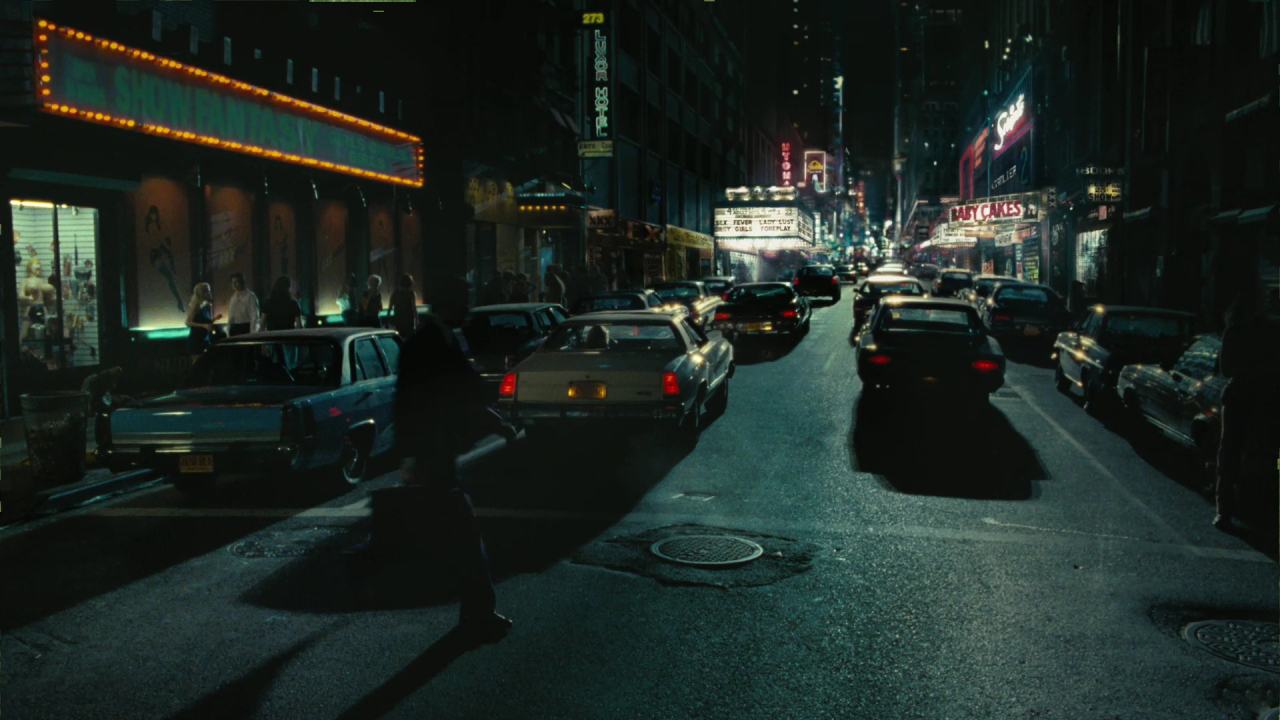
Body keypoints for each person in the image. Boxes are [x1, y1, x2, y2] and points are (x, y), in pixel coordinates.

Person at [394, 275, 512, 643]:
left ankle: (476, 611)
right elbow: (414, 401)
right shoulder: (429, 343)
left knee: (458, 534)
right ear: (450, 303)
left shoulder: (442, 338)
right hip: (434, 454)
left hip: (438, 452)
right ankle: (478, 612)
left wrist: (495, 422)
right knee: (463, 534)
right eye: (464, 301)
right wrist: (410, 457)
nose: (469, 309)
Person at [1213, 291, 1280, 530]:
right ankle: (1224, 510)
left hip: (1264, 399)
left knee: (1258, 455)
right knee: (1231, 454)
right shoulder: (1235, 332)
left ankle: (1248, 508)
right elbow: (1227, 369)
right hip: (1242, 399)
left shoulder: (1270, 331)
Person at [185, 283, 221, 362]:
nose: (209, 293)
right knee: (197, 363)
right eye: (207, 291)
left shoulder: (208, 306)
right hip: (196, 339)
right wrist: (204, 326)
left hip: (205, 339)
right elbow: (188, 322)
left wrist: (215, 319)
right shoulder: (196, 306)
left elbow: (206, 322)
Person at [389, 273, 419, 338]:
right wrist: (416, 319)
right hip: (408, 319)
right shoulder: (411, 293)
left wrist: (387, 320)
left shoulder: (395, 293)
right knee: (409, 337)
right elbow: (413, 308)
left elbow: (390, 307)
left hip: (398, 318)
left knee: (399, 337)